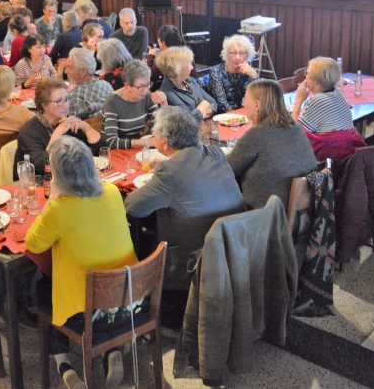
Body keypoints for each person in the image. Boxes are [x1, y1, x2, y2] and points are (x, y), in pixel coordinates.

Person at [26, 136, 137, 388]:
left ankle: (63, 362)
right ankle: (112, 349)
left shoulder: (59, 209)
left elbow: (33, 244)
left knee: (43, 289)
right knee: (97, 274)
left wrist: (53, 199)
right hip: (129, 298)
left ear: (57, 176)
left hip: (90, 312)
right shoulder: (111, 191)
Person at [124, 106, 245, 288]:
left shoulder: (170, 172)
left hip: (195, 260)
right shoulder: (214, 153)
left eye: (154, 134)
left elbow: (132, 207)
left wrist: (163, 172)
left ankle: (148, 297)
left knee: (142, 237)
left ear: (164, 142)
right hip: (235, 246)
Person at [228, 79, 318, 209]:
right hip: (300, 212)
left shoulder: (257, 134)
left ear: (257, 105)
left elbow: (228, 169)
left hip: (265, 215)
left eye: (245, 98)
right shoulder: (295, 127)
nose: (243, 103)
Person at [15, 78, 101, 175]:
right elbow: (42, 168)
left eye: (67, 99)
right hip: (37, 184)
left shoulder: (69, 123)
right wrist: (57, 134)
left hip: (68, 179)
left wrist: (87, 128)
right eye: (59, 101)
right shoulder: (28, 133)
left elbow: (100, 154)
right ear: (44, 105)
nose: (66, 105)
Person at [292, 56, 364, 160]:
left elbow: (294, 134)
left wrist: (299, 100)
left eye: (307, 73)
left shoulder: (316, 101)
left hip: (329, 158)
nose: (305, 77)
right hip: (348, 154)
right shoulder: (337, 93)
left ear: (316, 81)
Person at [102, 60, 165, 149]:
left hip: (138, 149)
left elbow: (161, 126)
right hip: (118, 152)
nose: (146, 90)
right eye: (141, 87)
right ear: (127, 86)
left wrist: (164, 105)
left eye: (148, 84)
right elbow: (111, 141)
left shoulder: (147, 96)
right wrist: (145, 142)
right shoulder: (112, 102)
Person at [156, 46, 217, 121]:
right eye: (189, 64)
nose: (192, 67)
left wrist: (201, 111)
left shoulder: (190, 80)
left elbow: (213, 102)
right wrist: (204, 103)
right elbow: (189, 120)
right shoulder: (167, 92)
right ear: (179, 69)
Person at [208, 34, 258, 112]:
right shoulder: (216, 71)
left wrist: (254, 76)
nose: (237, 57)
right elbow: (221, 103)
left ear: (247, 55)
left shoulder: (248, 71)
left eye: (242, 53)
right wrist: (237, 118)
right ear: (227, 54)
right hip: (224, 116)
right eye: (233, 53)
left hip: (246, 113)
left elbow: (257, 98)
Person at [66, 47, 113, 120]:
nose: (66, 71)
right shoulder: (106, 85)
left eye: (70, 67)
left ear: (83, 72)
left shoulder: (74, 96)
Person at [147, 24, 185, 90]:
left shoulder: (163, 59)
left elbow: (150, 76)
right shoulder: (186, 53)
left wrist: (150, 56)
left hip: (170, 92)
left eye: (158, 40)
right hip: (187, 88)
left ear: (163, 43)